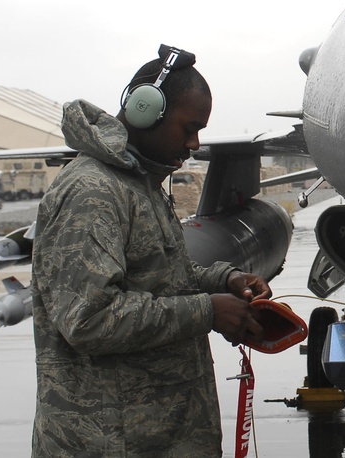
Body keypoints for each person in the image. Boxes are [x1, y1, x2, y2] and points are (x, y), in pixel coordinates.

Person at [31, 45, 271, 457]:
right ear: (146, 111)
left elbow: (161, 276)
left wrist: (225, 280)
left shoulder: (138, 184)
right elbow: (89, 318)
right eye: (189, 127)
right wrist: (208, 311)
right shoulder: (93, 192)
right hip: (110, 441)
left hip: (156, 437)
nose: (196, 143)